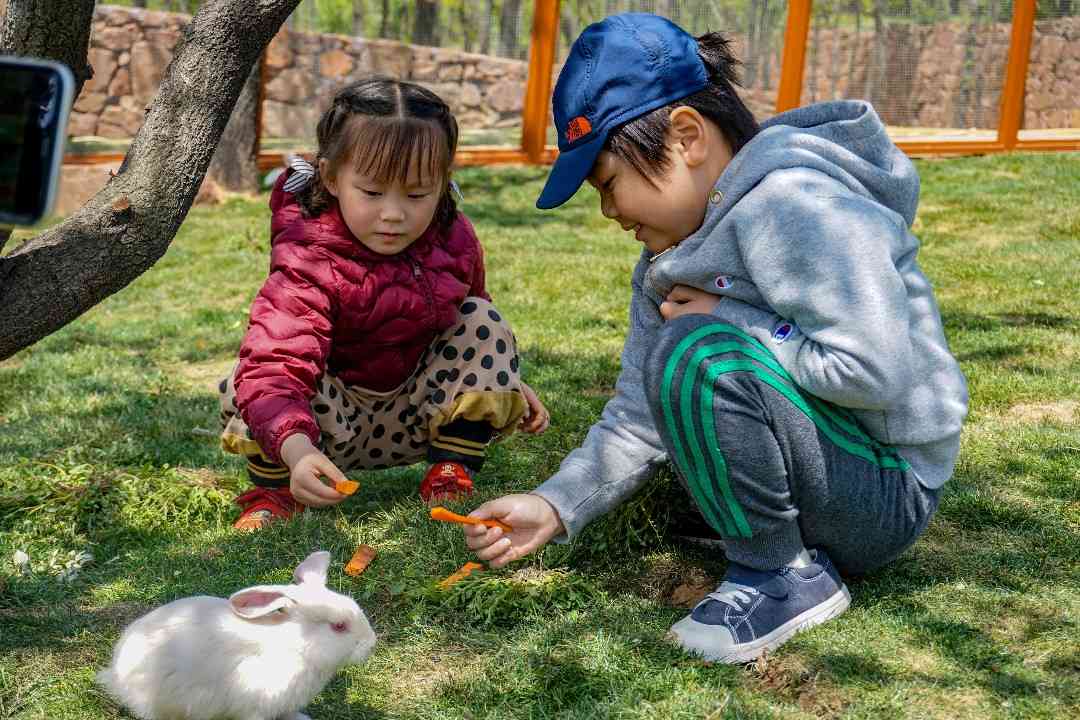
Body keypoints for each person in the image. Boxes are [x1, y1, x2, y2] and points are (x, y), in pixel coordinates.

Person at [461, 14, 968, 664]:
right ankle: (771, 541)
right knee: (684, 361)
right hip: (822, 470)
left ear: (687, 137)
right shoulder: (669, 263)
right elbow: (636, 416)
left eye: (608, 182)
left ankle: (781, 576)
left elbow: (874, 370)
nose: (608, 212)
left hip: (886, 491)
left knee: (696, 350)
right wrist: (554, 505)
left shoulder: (798, 206)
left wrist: (735, 324)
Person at [218, 78, 549, 531]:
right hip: (327, 431)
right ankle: (276, 490)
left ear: (443, 184)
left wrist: (507, 380)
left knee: (481, 318)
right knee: (249, 377)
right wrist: (297, 452)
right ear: (332, 178)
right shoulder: (308, 254)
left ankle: (450, 468)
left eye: (417, 195)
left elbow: (473, 326)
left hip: (414, 415)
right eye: (372, 193)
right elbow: (277, 362)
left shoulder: (455, 237)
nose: (394, 213)